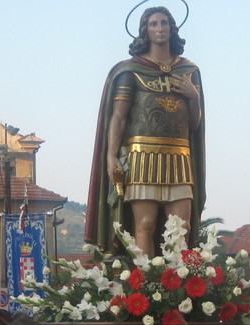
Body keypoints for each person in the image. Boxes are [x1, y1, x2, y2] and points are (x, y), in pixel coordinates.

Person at [86, 6, 205, 256]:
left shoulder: (188, 71)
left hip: (179, 157)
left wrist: (193, 97)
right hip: (142, 157)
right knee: (145, 225)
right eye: (153, 24)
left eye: (164, 23)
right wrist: (110, 155)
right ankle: (146, 285)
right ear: (145, 30)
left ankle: (177, 289)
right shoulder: (131, 70)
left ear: (172, 28)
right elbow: (118, 117)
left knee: (181, 228)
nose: (160, 28)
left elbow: (194, 126)